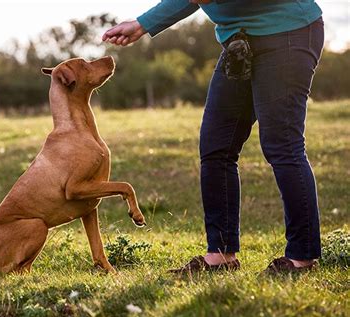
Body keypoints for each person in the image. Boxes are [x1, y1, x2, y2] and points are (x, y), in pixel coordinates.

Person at [102, 0, 324, 274]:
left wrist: (146, 23)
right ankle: (221, 255)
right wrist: (143, 24)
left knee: (282, 145)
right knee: (216, 146)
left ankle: (302, 258)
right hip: (239, 41)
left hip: (288, 33)